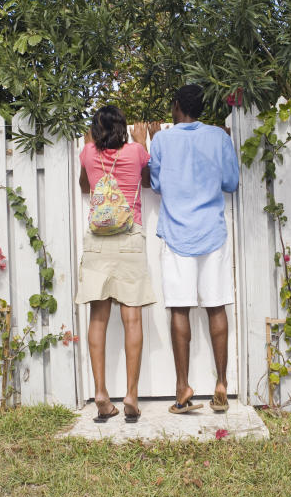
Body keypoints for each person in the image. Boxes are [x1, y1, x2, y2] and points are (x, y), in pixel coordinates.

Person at [149, 85, 239, 414]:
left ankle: (182, 388)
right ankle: (221, 384)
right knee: (216, 307)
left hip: (177, 235)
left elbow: (156, 185)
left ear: (176, 107)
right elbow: (231, 183)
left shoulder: (161, 140)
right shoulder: (219, 137)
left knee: (180, 309)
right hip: (212, 233)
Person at [75, 105, 156, 423]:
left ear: (95, 130)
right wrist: (143, 143)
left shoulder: (87, 153)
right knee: (132, 318)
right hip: (129, 238)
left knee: (98, 318)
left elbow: (85, 188)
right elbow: (147, 183)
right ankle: (132, 396)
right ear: (124, 127)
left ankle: (101, 394)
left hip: (97, 241)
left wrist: (88, 146)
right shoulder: (136, 152)